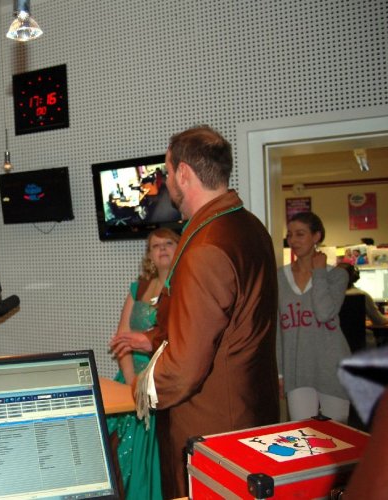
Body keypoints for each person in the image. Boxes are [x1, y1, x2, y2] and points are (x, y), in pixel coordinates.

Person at [135, 125, 280, 499]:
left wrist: (143, 388)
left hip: (214, 432)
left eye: (168, 172)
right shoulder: (251, 227)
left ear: (184, 173)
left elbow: (185, 370)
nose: (167, 182)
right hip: (252, 418)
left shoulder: (206, 246)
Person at [107, 227, 179, 500]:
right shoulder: (138, 287)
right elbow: (121, 339)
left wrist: (144, 386)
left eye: (168, 243)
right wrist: (131, 383)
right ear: (149, 254)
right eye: (155, 246)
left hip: (162, 381)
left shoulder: (184, 286)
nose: (162, 249)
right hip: (130, 380)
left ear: (180, 247)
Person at [277, 212, 351, 423]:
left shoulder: (336, 275)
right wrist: (279, 373)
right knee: (302, 434)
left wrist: (319, 273)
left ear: (316, 236)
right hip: (296, 369)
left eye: (300, 234)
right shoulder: (279, 277)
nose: (293, 240)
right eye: (290, 235)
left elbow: (324, 313)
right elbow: (277, 330)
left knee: (337, 435)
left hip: (331, 367)